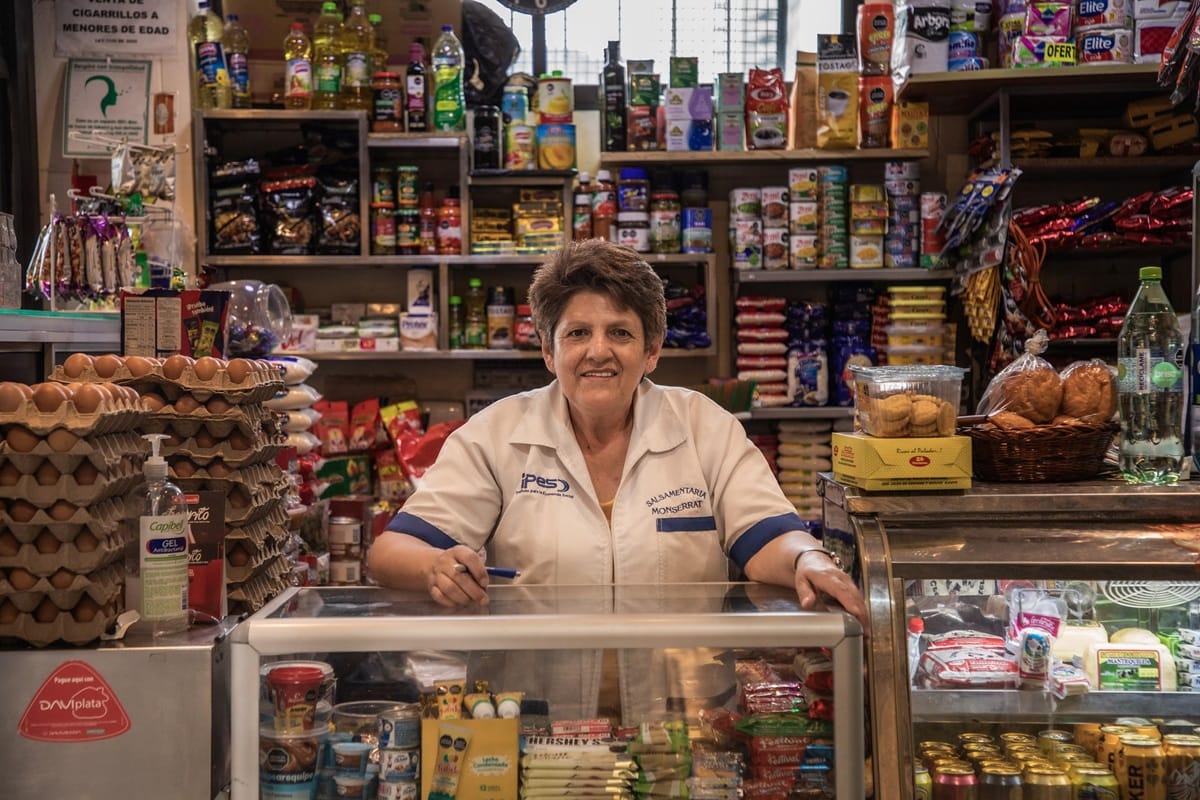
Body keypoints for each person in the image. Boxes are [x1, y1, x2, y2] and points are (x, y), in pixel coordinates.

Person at [368, 238, 867, 629]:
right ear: (548, 351)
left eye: (621, 333)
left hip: (683, 719)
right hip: (541, 722)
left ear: (651, 351)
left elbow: (768, 537)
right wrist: (435, 566)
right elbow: (391, 553)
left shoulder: (704, 427)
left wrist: (809, 559)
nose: (598, 351)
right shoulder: (497, 435)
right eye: (577, 333)